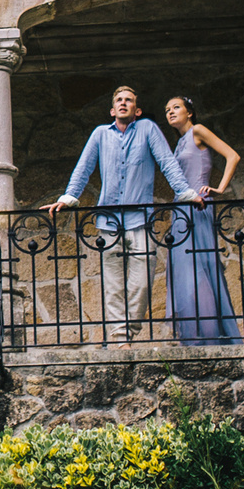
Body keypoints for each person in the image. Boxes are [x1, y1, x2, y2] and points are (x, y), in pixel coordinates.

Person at [50, 85, 194, 338]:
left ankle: (128, 330)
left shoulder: (148, 128)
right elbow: (83, 167)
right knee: (114, 286)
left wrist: (186, 193)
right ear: (112, 109)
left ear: (137, 110)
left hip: (141, 220)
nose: (123, 103)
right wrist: (69, 197)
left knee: (142, 283)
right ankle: (120, 338)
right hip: (109, 222)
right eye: (119, 100)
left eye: (129, 100)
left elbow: (166, 162)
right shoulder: (100, 134)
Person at [161, 95, 243, 345]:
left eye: (176, 107)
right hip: (181, 210)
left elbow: (232, 156)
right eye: (167, 110)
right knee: (184, 270)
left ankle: (210, 337)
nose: (171, 112)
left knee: (200, 267)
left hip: (198, 207)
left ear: (190, 113)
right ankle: (194, 335)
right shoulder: (178, 143)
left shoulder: (198, 131)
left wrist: (219, 188)